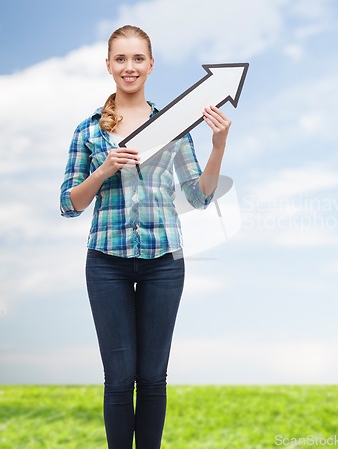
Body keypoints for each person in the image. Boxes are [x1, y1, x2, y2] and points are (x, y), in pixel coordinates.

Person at [60, 24, 231, 448]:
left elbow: (199, 195)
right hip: (106, 262)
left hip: (163, 263)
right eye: (121, 59)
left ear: (151, 65)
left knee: (153, 378)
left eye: (138, 58)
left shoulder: (173, 126)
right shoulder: (88, 131)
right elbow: (69, 204)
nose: (129, 66)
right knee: (119, 380)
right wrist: (103, 170)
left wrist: (219, 145)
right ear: (108, 66)